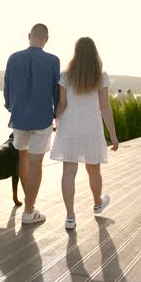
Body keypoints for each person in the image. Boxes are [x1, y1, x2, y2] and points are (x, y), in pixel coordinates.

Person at [50, 37, 119, 230]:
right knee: (93, 169)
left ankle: (70, 217)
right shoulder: (101, 76)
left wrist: (56, 125)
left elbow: (62, 106)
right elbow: (105, 107)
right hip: (92, 127)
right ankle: (98, 203)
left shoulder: (66, 75)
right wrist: (113, 135)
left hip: (70, 126)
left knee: (68, 172)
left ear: (76, 53)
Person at [4, 23, 60, 224]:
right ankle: (29, 210)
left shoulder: (13, 58)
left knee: (23, 158)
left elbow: (7, 88)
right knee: (36, 164)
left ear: (29, 36)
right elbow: (57, 92)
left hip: (19, 118)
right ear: (46, 39)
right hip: (42, 118)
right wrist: (57, 115)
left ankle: (29, 206)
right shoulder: (53, 60)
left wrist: (12, 107)